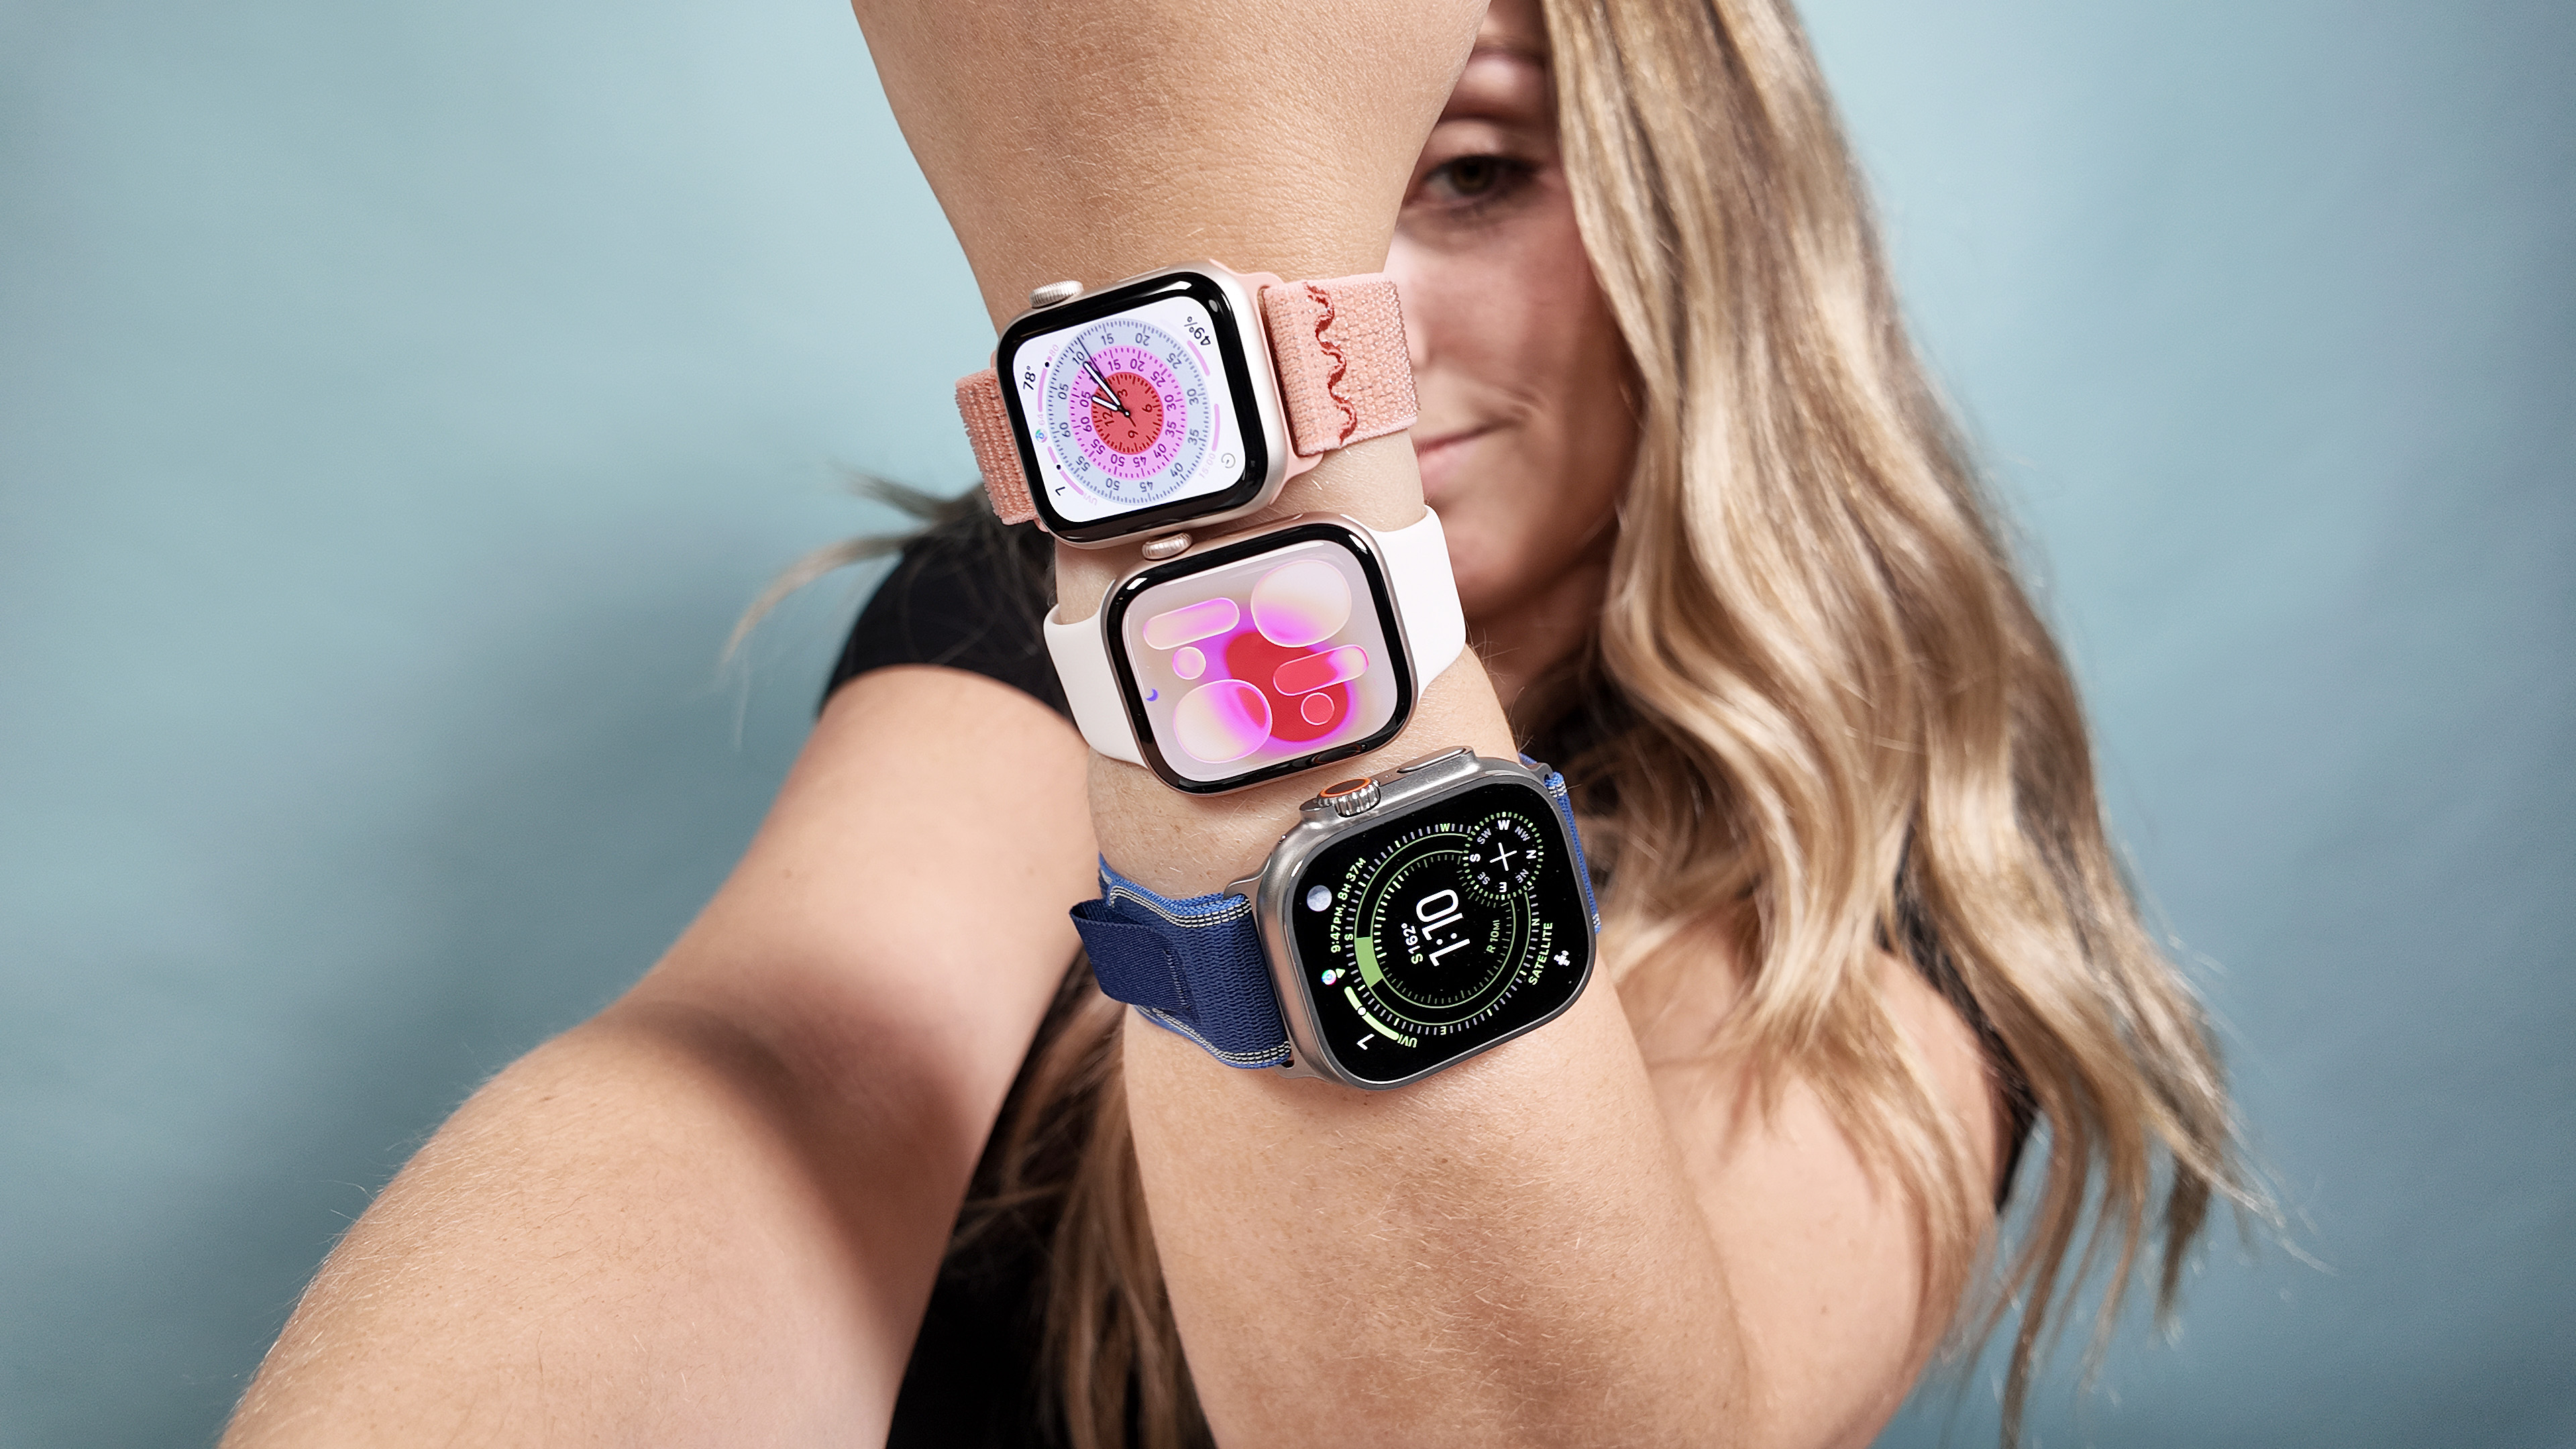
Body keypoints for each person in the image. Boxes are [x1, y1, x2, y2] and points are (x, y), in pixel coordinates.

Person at [223, 2, 2255, 1446]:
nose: (1359, 306)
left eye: (1472, 175)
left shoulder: (1888, 868)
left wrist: (1182, 320)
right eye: (1317, 218)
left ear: (1707, 214)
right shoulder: (1027, 620)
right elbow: (791, 1079)